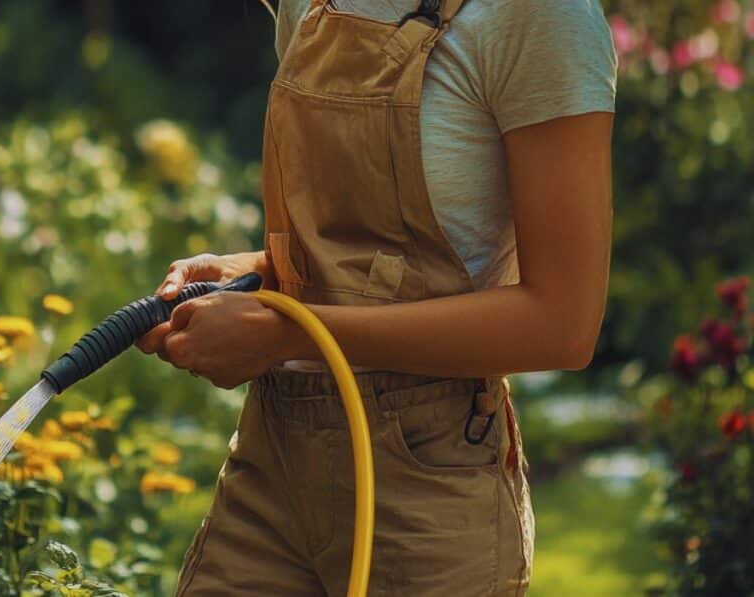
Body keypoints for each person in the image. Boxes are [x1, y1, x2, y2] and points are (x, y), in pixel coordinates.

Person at [136, 0, 617, 594]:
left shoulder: (539, 17)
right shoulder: (310, 6)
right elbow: (365, 255)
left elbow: (562, 323)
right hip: (272, 458)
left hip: (425, 487)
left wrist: (290, 331)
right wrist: (262, 272)